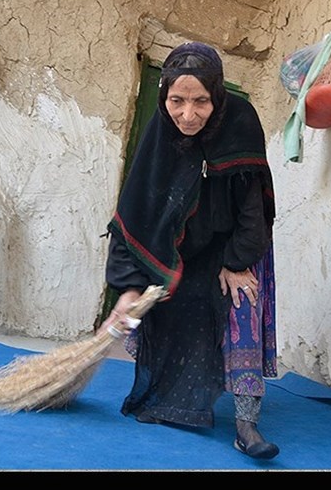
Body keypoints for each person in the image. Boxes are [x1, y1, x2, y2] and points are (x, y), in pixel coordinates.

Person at [101, 41, 279, 460]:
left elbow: (253, 209)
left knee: (242, 307)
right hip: (178, 249)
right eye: (177, 101)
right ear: (164, 97)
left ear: (217, 96)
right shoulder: (159, 134)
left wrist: (237, 262)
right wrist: (130, 287)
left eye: (201, 101)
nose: (188, 114)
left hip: (235, 246)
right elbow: (135, 214)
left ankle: (247, 425)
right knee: (169, 307)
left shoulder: (240, 122)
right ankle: (170, 401)